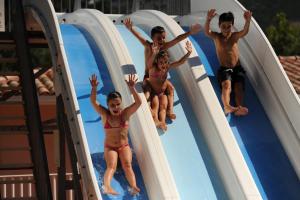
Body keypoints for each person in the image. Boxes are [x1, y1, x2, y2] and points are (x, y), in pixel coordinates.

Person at [124, 18, 200, 120]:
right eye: (159, 38)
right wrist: (131, 29)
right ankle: (152, 110)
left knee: (171, 89)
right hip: (150, 76)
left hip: (161, 77)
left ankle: (170, 111)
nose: (162, 40)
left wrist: (190, 32)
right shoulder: (148, 46)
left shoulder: (164, 46)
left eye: (163, 37)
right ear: (152, 38)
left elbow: (177, 39)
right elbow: (139, 37)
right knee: (153, 98)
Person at [89, 74, 141, 195]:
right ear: (108, 106)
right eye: (112, 105)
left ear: (121, 103)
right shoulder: (105, 115)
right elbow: (93, 101)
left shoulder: (126, 113)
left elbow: (138, 103)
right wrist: (94, 88)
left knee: (127, 165)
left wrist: (132, 88)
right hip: (110, 147)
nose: (116, 107)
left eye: (118, 104)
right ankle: (107, 186)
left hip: (124, 146)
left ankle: (133, 186)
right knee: (111, 166)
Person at [205, 9, 252, 116]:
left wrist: (248, 21)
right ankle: (227, 106)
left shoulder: (234, 36)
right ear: (219, 25)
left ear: (232, 25)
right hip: (225, 69)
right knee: (227, 85)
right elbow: (207, 32)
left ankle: (239, 107)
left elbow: (244, 31)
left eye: (229, 26)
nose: (226, 29)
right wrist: (208, 19)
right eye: (223, 26)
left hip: (237, 68)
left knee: (238, 87)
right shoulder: (217, 37)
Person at [145, 41, 192, 131]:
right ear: (157, 62)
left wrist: (188, 53)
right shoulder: (153, 68)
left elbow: (180, 62)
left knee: (163, 106)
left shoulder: (167, 67)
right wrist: (154, 54)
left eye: (165, 62)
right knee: (156, 105)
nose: (164, 64)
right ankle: (155, 120)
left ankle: (164, 120)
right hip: (153, 92)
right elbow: (149, 63)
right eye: (161, 62)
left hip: (162, 93)